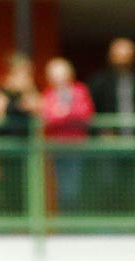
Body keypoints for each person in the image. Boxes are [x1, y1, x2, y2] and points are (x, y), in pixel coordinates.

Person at [87, 38, 135, 212]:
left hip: (133, 144)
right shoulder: (99, 81)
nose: (123, 60)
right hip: (109, 145)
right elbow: (91, 111)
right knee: (108, 184)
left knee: (134, 185)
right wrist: (102, 131)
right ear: (111, 57)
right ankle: (109, 224)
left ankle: (131, 223)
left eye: (127, 56)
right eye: (119, 55)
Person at [40, 57, 94, 215]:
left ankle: (77, 220)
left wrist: (63, 113)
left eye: (61, 73)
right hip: (56, 147)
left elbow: (85, 113)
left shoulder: (80, 90)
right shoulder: (49, 94)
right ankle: (64, 219)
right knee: (61, 187)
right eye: (54, 74)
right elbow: (48, 116)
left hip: (77, 146)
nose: (58, 78)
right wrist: (67, 114)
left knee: (76, 186)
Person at [0, 54, 37, 215]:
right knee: (8, 181)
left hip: (26, 145)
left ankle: (26, 217)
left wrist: (27, 90)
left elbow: (37, 106)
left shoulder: (30, 90)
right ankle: (8, 215)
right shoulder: (1, 90)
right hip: (6, 145)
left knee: (27, 182)